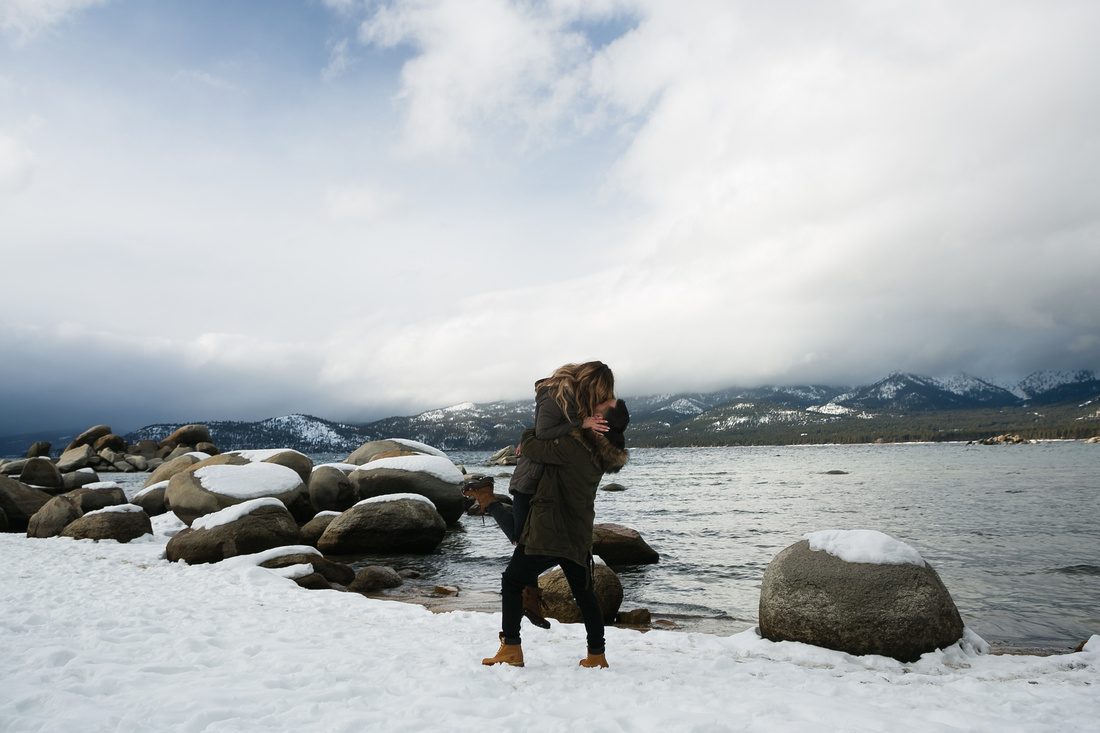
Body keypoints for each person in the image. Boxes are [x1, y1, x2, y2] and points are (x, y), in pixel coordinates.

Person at [481, 396, 630, 669]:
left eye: (601, 406)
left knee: (512, 582)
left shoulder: (574, 446)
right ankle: (597, 654)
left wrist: (530, 434)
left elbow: (532, 444)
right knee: (585, 593)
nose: (595, 402)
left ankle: (511, 647)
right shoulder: (601, 451)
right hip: (577, 531)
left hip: (550, 530)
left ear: (603, 423)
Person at [463, 362, 613, 628]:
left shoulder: (575, 398)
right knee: (521, 541)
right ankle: (487, 499)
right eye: (601, 392)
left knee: (524, 544)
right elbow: (542, 433)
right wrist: (581, 424)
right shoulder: (553, 395)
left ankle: (529, 602)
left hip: (543, 479)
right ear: (589, 383)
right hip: (529, 481)